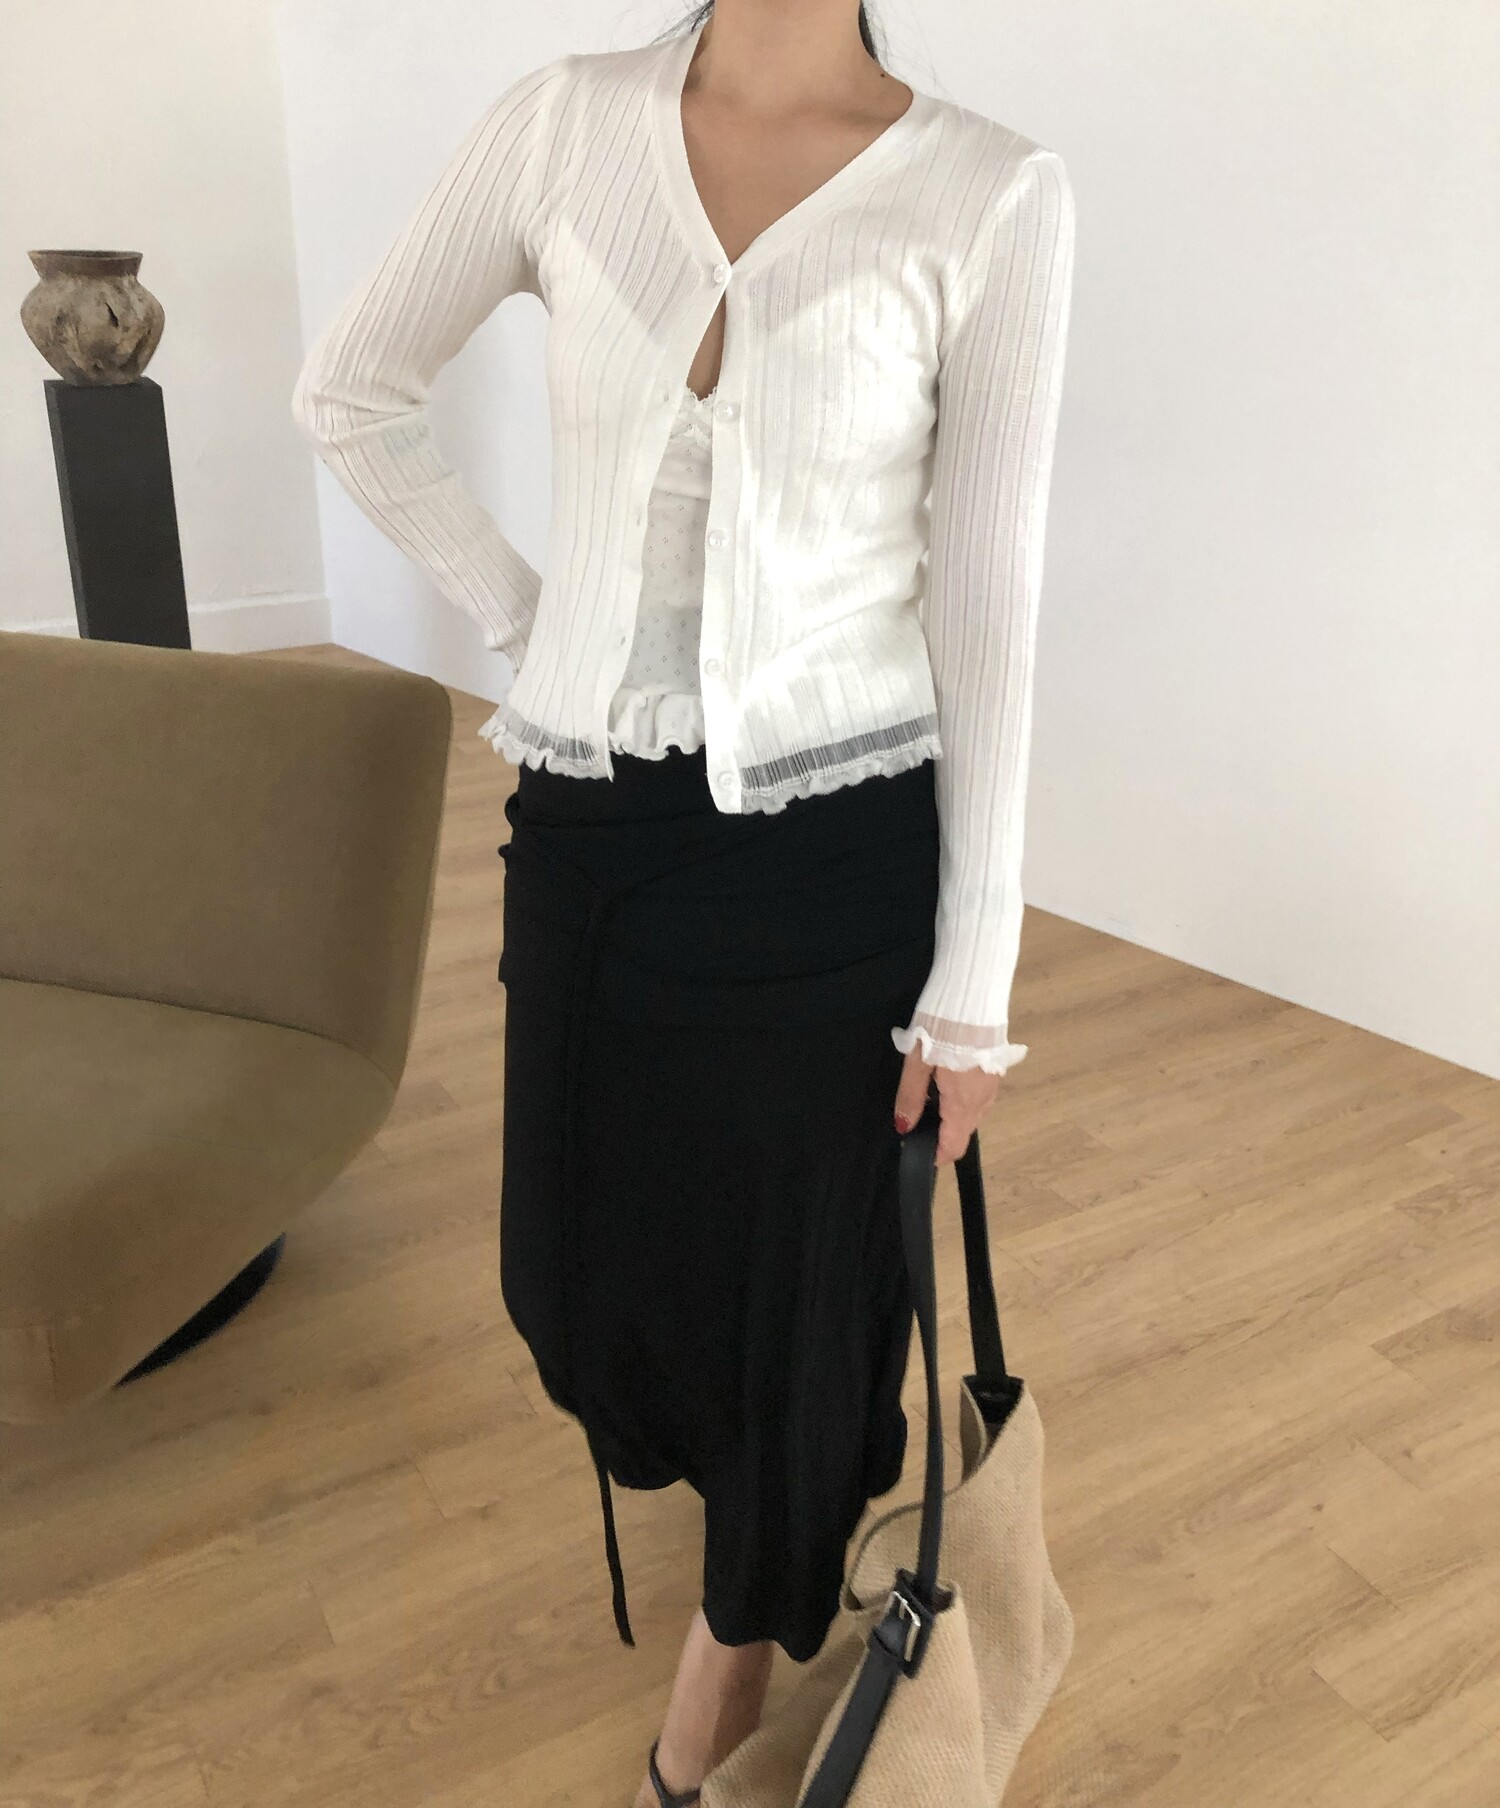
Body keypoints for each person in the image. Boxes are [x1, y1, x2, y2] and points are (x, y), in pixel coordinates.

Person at [291, 3, 1075, 1802]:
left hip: (841, 853)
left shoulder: (988, 191)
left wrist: (974, 980)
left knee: (806, 1306)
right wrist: (529, 616)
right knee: (573, 1283)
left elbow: (987, 591)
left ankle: (729, 1664)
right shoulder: (564, 124)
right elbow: (351, 390)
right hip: (596, 827)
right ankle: (741, 1512)